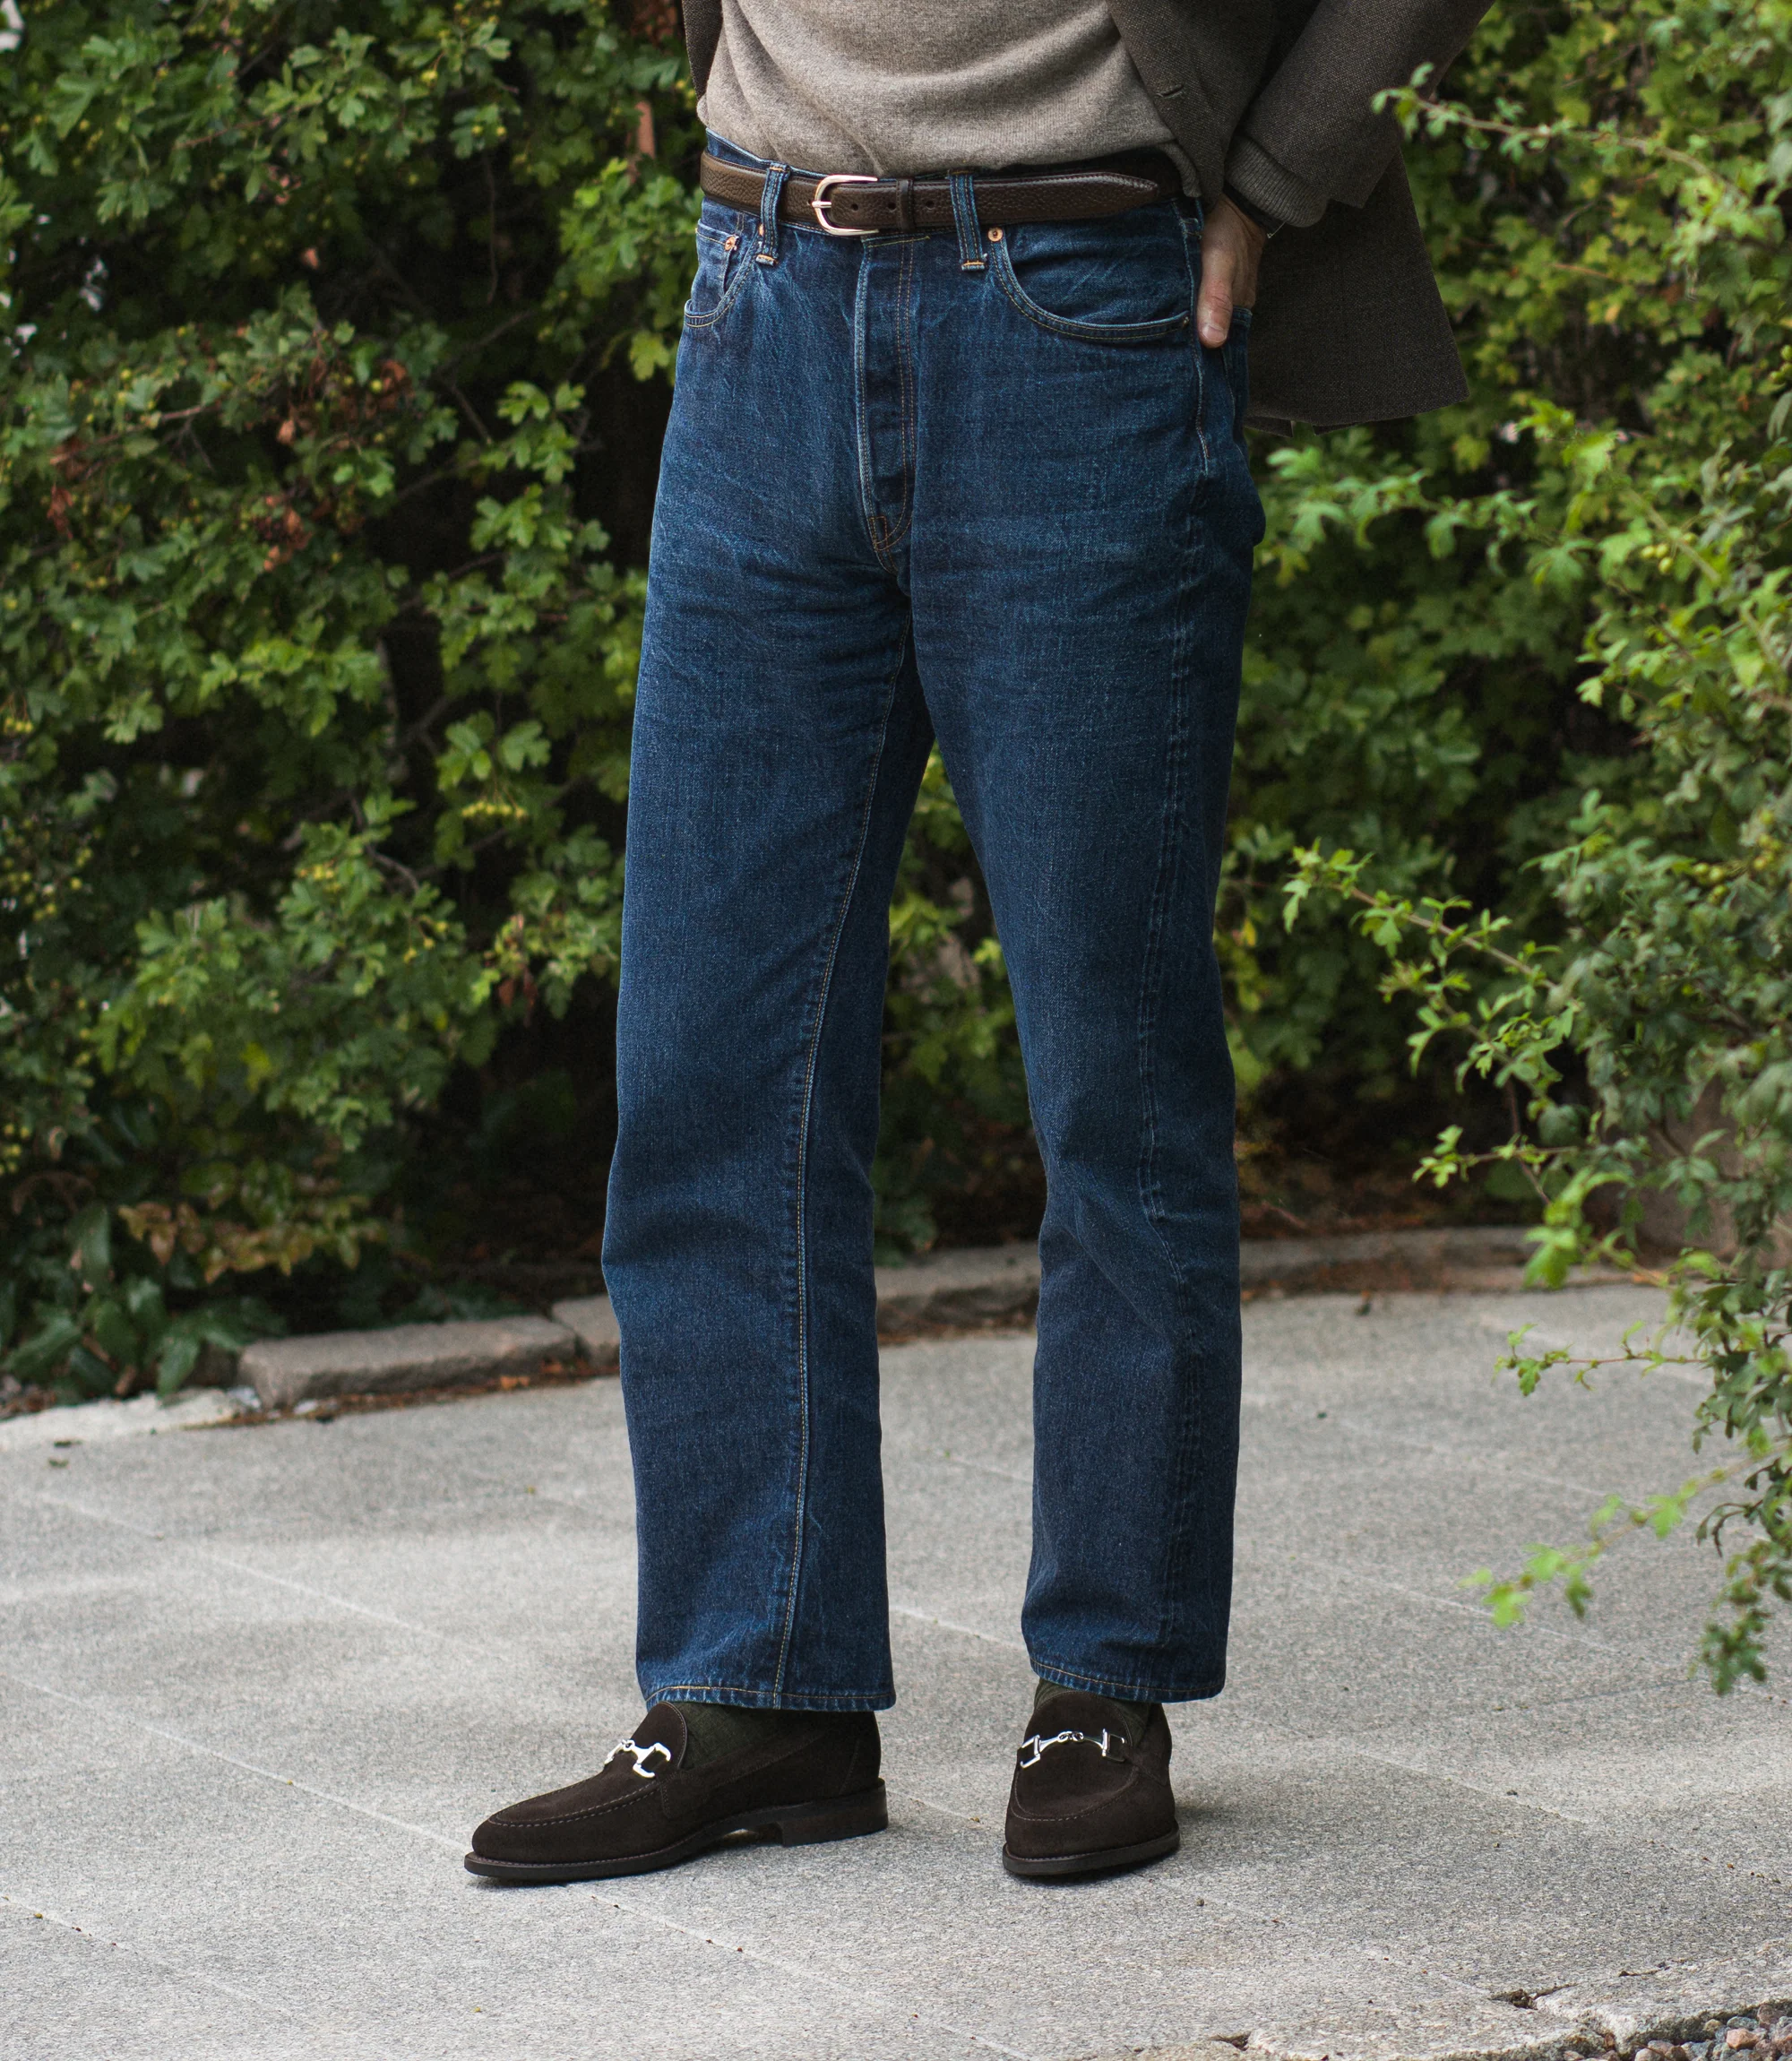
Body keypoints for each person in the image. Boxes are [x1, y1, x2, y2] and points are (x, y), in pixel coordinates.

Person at [467, 0, 1489, 1886]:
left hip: (1083, 306)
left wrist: (1270, 182)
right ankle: (751, 1693)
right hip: (759, 283)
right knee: (711, 1065)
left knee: (1110, 1073)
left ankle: (1104, 1673)